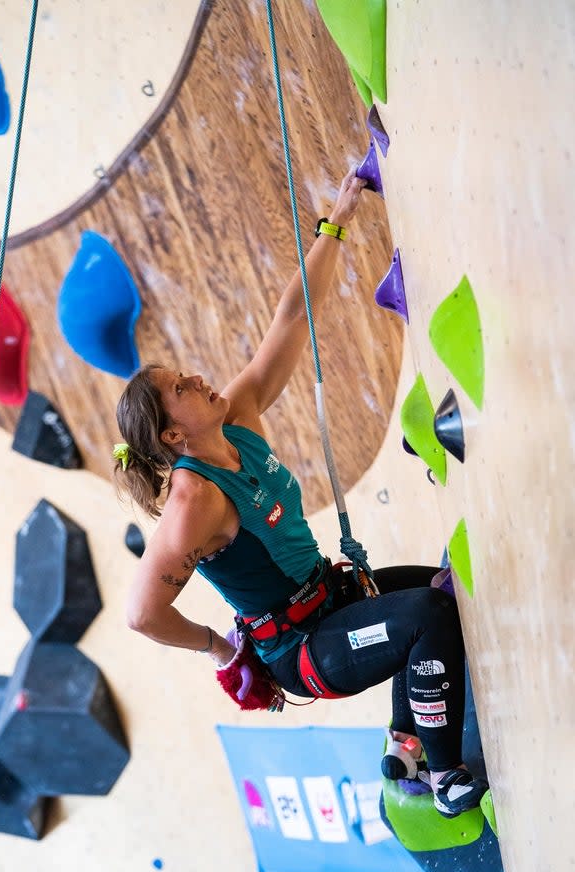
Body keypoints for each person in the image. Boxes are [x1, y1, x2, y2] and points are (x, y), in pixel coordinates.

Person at [113, 165, 488, 819]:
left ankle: (404, 744)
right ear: (173, 434)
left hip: (335, 599)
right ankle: (445, 779)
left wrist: (337, 218)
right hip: (305, 652)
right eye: (182, 385)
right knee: (428, 620)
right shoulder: (192, 504)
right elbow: (142, 613)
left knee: (440, 590)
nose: (198, 375)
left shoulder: (238, 414)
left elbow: (293, 317)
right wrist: (220, 647)